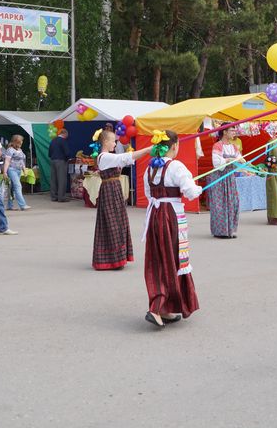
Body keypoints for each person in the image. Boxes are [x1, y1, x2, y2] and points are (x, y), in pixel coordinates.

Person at [142, 130, 203, 327]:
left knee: (158, 260)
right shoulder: (176, 166)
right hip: (171, 217)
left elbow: (148, 193)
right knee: (174, 260)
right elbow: (191, 192)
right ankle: (158, 308)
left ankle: (164, 307)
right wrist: (199, 188)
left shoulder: (149, 168)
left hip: (155, 215)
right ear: (175, 146)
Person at [92, 129, 149, 270]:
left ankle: (118, 258)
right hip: (109, 192)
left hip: (114, 190)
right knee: (112, 223)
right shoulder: (104, 157)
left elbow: (125, 159)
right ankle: (112, 259)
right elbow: (124, 158)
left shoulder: (108, 157)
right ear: (105, 142)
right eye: (113, 141)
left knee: (118, 222)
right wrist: (148, 149)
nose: (115, 143)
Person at [206, 126, 243, 238]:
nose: (234, 132)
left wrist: (242, 161)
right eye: (231, 130)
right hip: (220, 177)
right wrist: (228, 160)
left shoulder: (234, 146)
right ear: (225, 132)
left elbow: (240, 158)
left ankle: (231, 230)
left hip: (230, 177)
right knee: (220, 204)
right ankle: (220, 231)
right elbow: (216, 163)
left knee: (233, 202)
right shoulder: (217, 145)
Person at [3, 135, 31, 211]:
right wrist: (5, 172)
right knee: (18, 186)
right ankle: (22, 205)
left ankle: (9, 205)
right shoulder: (10, 150)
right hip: (11, 170)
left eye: (21, 141)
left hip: (18, 170)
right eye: (20, 141)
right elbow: (7, 161)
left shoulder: (20, 150)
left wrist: (24, 169)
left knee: (12, 188)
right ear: (15, 142)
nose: (21, 143)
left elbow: (21, 161)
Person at [48, 128, 71, 202]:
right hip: (61, 161)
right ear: (65, 133)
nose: (67, 136)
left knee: (53, 179)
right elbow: (67, 152)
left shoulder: (53, 140)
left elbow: (49, 153)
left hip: (53, 160)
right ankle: (61, 197)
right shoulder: (63, 141)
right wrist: (68, 159)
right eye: (67, 134)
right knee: (62, 179)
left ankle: (54, 196)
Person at [265, 138, 277, 225]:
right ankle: (276, 216)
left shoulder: (273, 144)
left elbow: (271, 161)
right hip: (276, 174)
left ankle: (274, 217)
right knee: (276, 196)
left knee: (274, 196)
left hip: (273, 174)